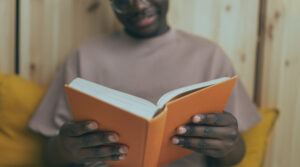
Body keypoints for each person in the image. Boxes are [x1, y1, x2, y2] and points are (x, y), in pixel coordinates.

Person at [28, 0, 262, 166]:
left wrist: (229, 144)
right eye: (122, 0)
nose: (138, 5)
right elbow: (49, 155)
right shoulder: (85, 55)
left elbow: (236, 153)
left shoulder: (209, 55)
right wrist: (65, 148)